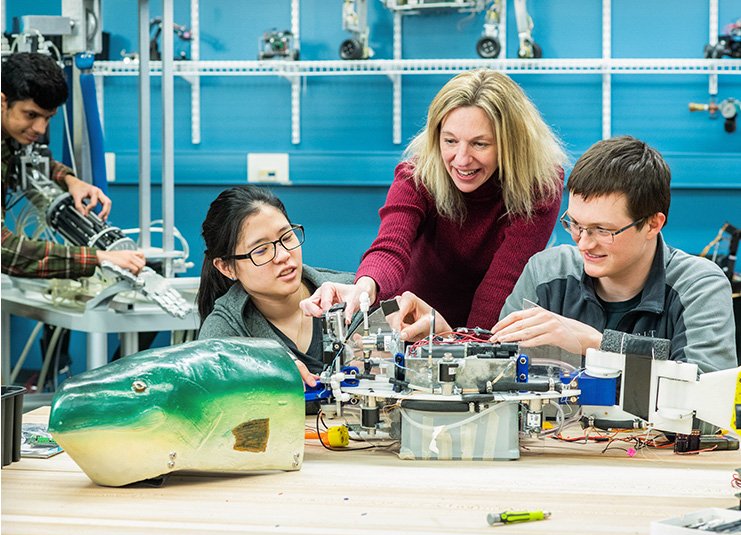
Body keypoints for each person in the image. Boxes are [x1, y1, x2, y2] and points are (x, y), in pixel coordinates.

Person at [393, 136, 737, 374]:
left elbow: (706, 387)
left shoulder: (699, 285)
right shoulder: (547, 273)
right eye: (576, 224)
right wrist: (448, 340)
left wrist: (597, 344)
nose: (584, 243)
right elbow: (496, 368)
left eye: (604, 230)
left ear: (652, 224)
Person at [301, 69, 566, 330]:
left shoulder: (539, 186)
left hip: (489, 326)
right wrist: (365, 287)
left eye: (480, 144)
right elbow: (390, 246)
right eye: (450, 141)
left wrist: (468, 349)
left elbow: (501, 284)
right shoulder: (417, 176)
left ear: (512, 144)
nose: (461, 159)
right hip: (412, 317)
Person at [2, 52, 145, 278]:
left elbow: (25, 160)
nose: (39, 129)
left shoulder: (11, 134)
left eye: (48, 118)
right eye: (31, 115)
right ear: (3, 101)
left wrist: (70, 180)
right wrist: (98, 258)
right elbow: (5, 251)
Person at [197, 186, 356, 386]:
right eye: (261, 250)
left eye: (287, 237)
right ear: (227, 268)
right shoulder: (223, 335)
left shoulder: (351, 295)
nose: (283, 255)